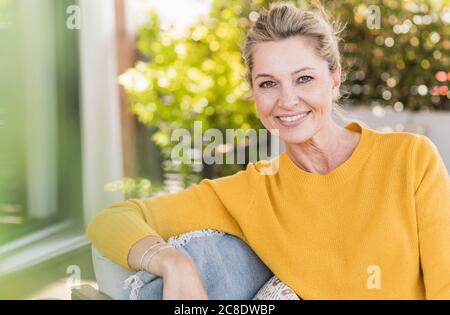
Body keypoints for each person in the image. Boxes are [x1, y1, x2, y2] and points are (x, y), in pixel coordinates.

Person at [86, 2, 450, 299]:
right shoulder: (250, 190)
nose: (287, 100)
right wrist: (171, 263)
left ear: (335, 77)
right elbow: (112, 219)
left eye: (304, 78)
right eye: (268, 83)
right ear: (253, 91)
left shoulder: (410, 159)